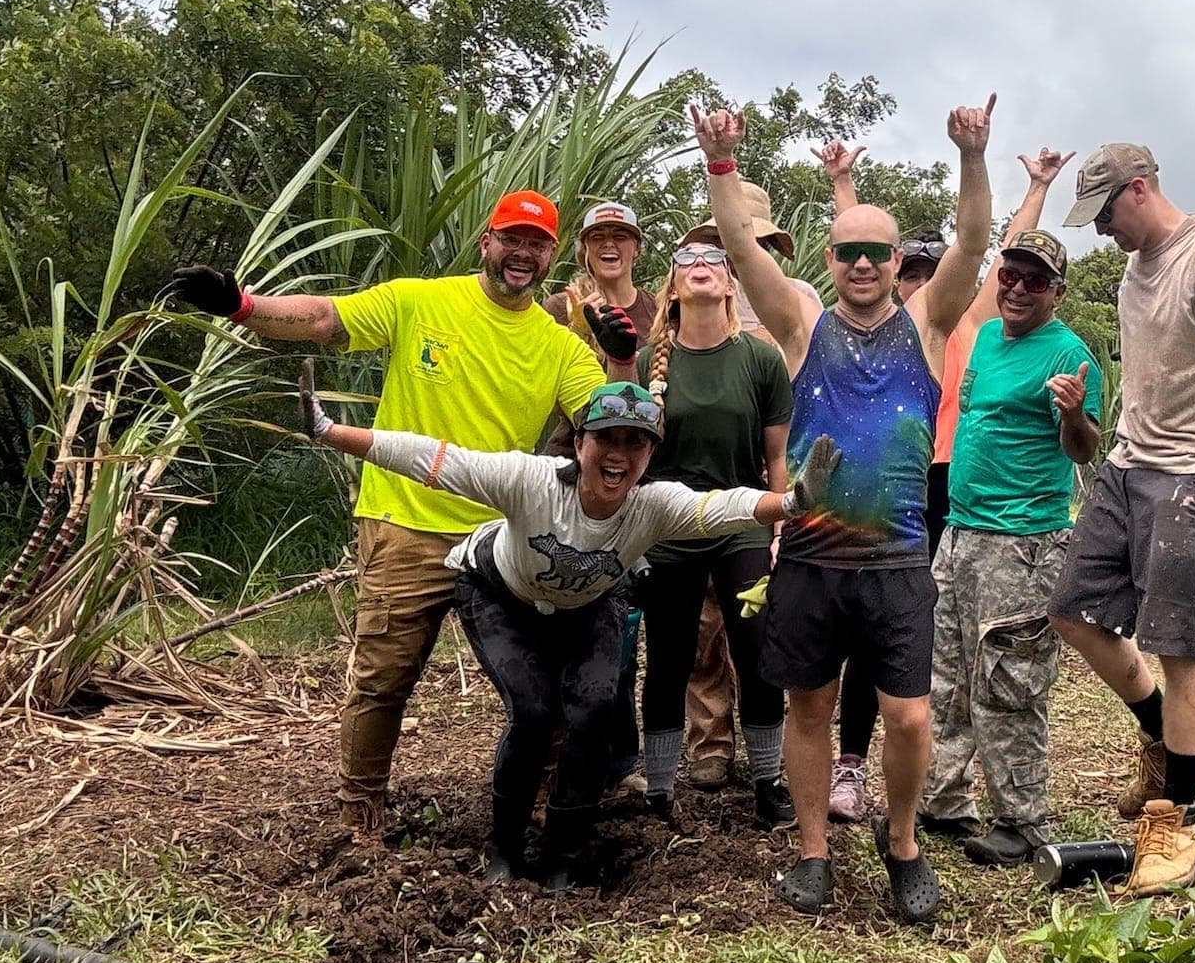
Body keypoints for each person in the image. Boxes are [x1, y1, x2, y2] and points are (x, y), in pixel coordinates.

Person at [166, 191, 634, 837]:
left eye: (537, 243)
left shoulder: (558, 348)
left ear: (552, 254)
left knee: (541, 684)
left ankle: (538, 814)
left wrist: (620, 361)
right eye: (512, 238)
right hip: (403, 521)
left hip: (499, 539)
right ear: (486, 243)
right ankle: (359, 820)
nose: (523, 253)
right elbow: (326, 318)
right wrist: (241, 305)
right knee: (383, 680)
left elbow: (616, 430)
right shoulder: (420, 301)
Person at [295, 368, 839, 890]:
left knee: (596, 710)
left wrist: (792, 502)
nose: (619, 455)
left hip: (588, 606)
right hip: (500, 595)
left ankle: (564, 853)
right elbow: (437, 460)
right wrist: (330, 431)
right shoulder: (530, 482)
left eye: (636, 443)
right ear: (579, 444)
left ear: (650, 455)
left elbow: (724, 508)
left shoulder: (653, 506)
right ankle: (504, 848)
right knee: (534, 712)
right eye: (607, 438)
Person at [691, 94, 994, 922]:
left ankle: (902, 845)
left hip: (897, 561)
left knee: (907, 715)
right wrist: (721, 162)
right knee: (810, 706)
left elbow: (971, 241)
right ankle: (813, 852)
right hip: (813, 560)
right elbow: (743, 249)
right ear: (829, 259)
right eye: (848, 253)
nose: (862, 265)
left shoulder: (929, 324)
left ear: (898, 261)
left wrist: (973, 156)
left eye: (877, 254)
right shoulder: (801, 326)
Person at [813, 143, 1076, 827]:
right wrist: (843, 184)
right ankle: (862, 766)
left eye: (929, 272)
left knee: (934, 640)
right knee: (886, 633)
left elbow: (1005, 249)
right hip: (900, 486)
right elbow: (858, 248)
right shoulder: (882, 327)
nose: (914, 284)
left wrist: (1039, 188)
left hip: (953, 486)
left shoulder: (969, 323)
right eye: (912, 272)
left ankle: (961, 785)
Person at [1047, 143, 1195, 895]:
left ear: (1139, 190)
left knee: (1178, 643)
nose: (1100, 230)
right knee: (1073, 612)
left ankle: (1174, 823)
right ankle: (1170, 740)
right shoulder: (1134, 265)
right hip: (1126, 463)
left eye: (1105, 213)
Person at [921, 227, 1101, 867]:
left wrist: (1075, 413)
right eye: (1010, 274)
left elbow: (1083, 451)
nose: (1018, 288)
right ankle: (941, 798)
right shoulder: (989, 339)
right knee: (945, 672)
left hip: (1023, 542)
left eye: (1035, 279)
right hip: (962, 532)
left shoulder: (1069, 356)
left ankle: (1022, 821)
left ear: (1056, 290)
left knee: (1007, 681)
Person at [635, 239, 795, 826]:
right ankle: (658, 790)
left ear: (731, 284)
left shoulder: (760, 359)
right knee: (670, 656)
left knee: (756, 653)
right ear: (672, 288)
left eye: (713, 259)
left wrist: (779, 529)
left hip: (743, 519)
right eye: (685, 259)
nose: (700, 263)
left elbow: (777, 459)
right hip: (669, 522)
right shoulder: (654, 359)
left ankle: (769, 783)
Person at [541, 201, 662, 797]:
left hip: (628, 479)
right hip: (565, 472)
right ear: (584, 247)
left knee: (619, 627)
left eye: (621, 236)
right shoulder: (561, 307)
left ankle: (619, 763)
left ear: (637, 246)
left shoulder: (656, 310)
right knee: (554, 621)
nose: (610, 245)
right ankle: (553, 758)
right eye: (598, 237)